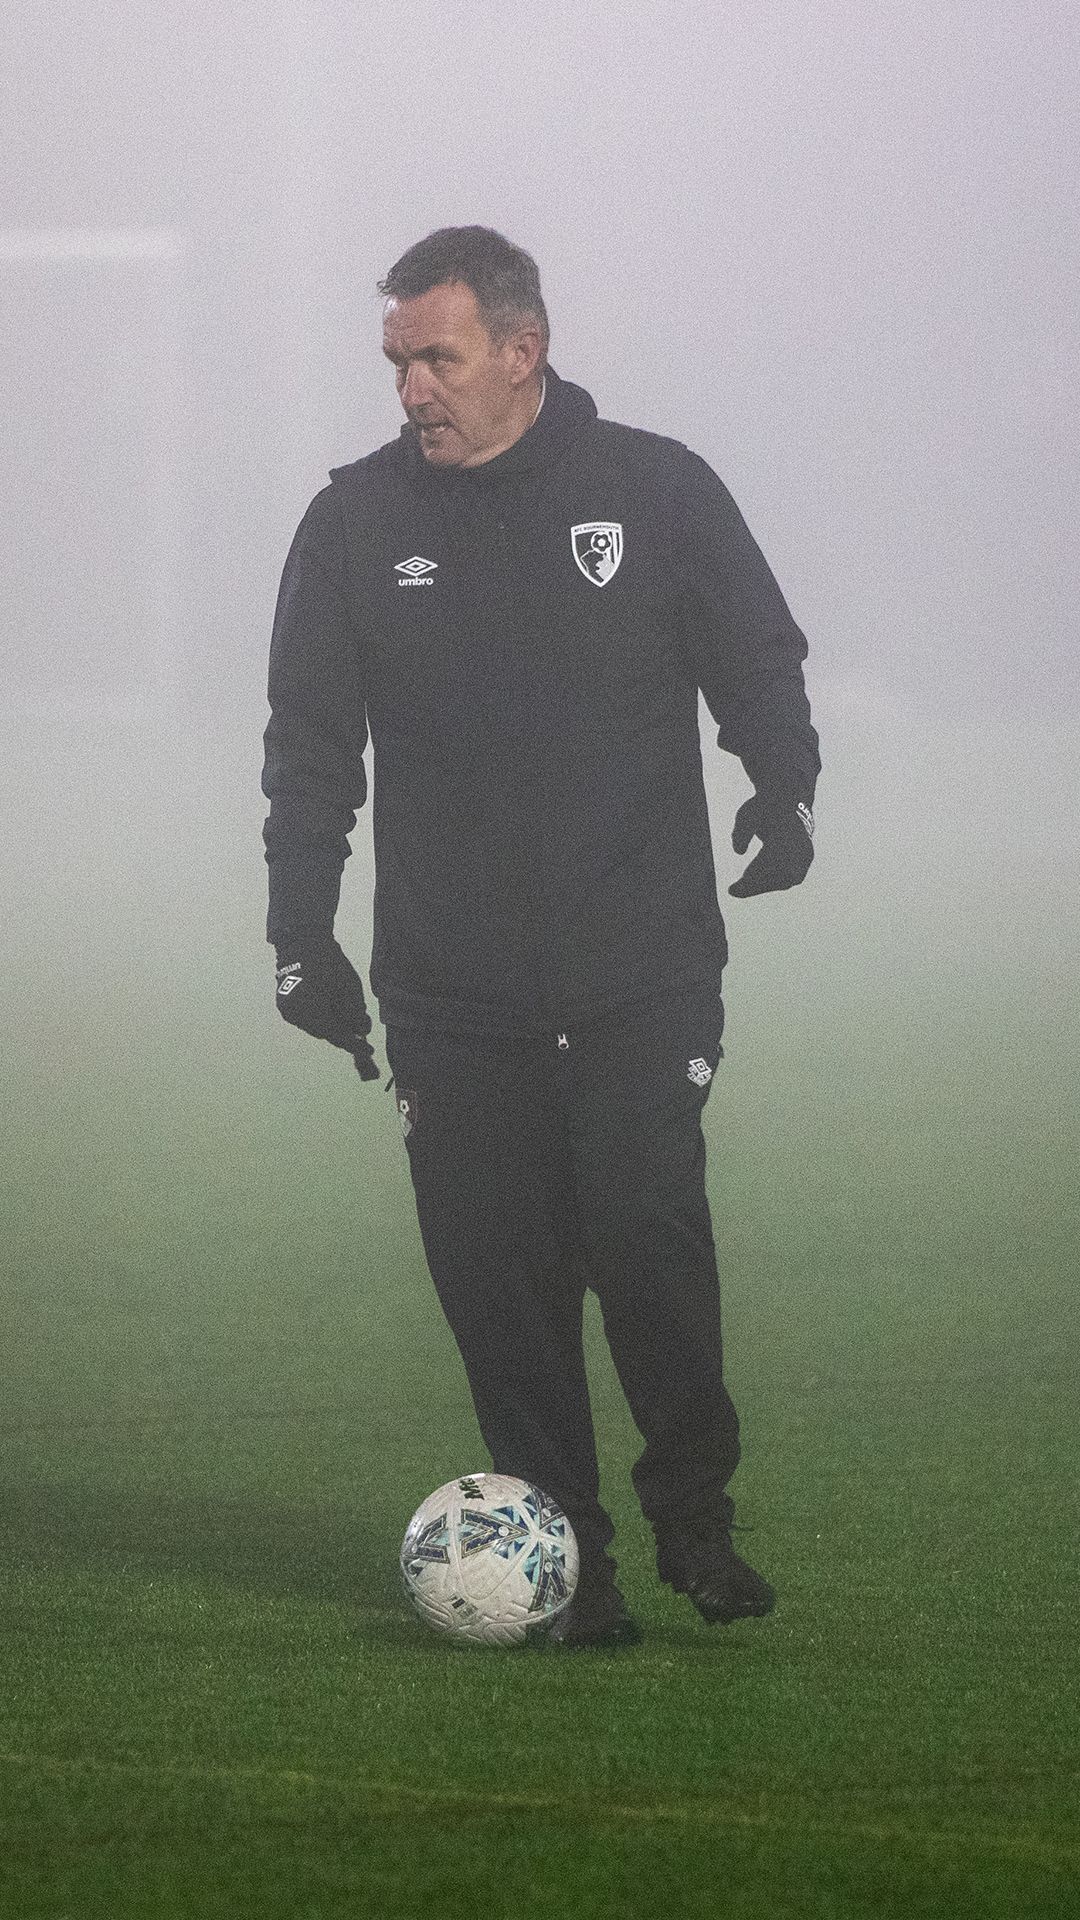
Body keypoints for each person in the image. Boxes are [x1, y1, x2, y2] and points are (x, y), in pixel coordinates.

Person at [262, 226, 820, 1648]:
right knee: (497, 1288)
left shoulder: (656, 489)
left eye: (437, 358)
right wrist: (299, 930)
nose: (411, 392)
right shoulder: (351, 525)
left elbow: (752, 650)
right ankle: (574, 1568)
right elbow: (311, 749)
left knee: (645, 1235)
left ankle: (695, 1513)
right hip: (453, 995)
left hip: (639, 971)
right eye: (396, 363)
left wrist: (782, 783)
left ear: (524, 349)